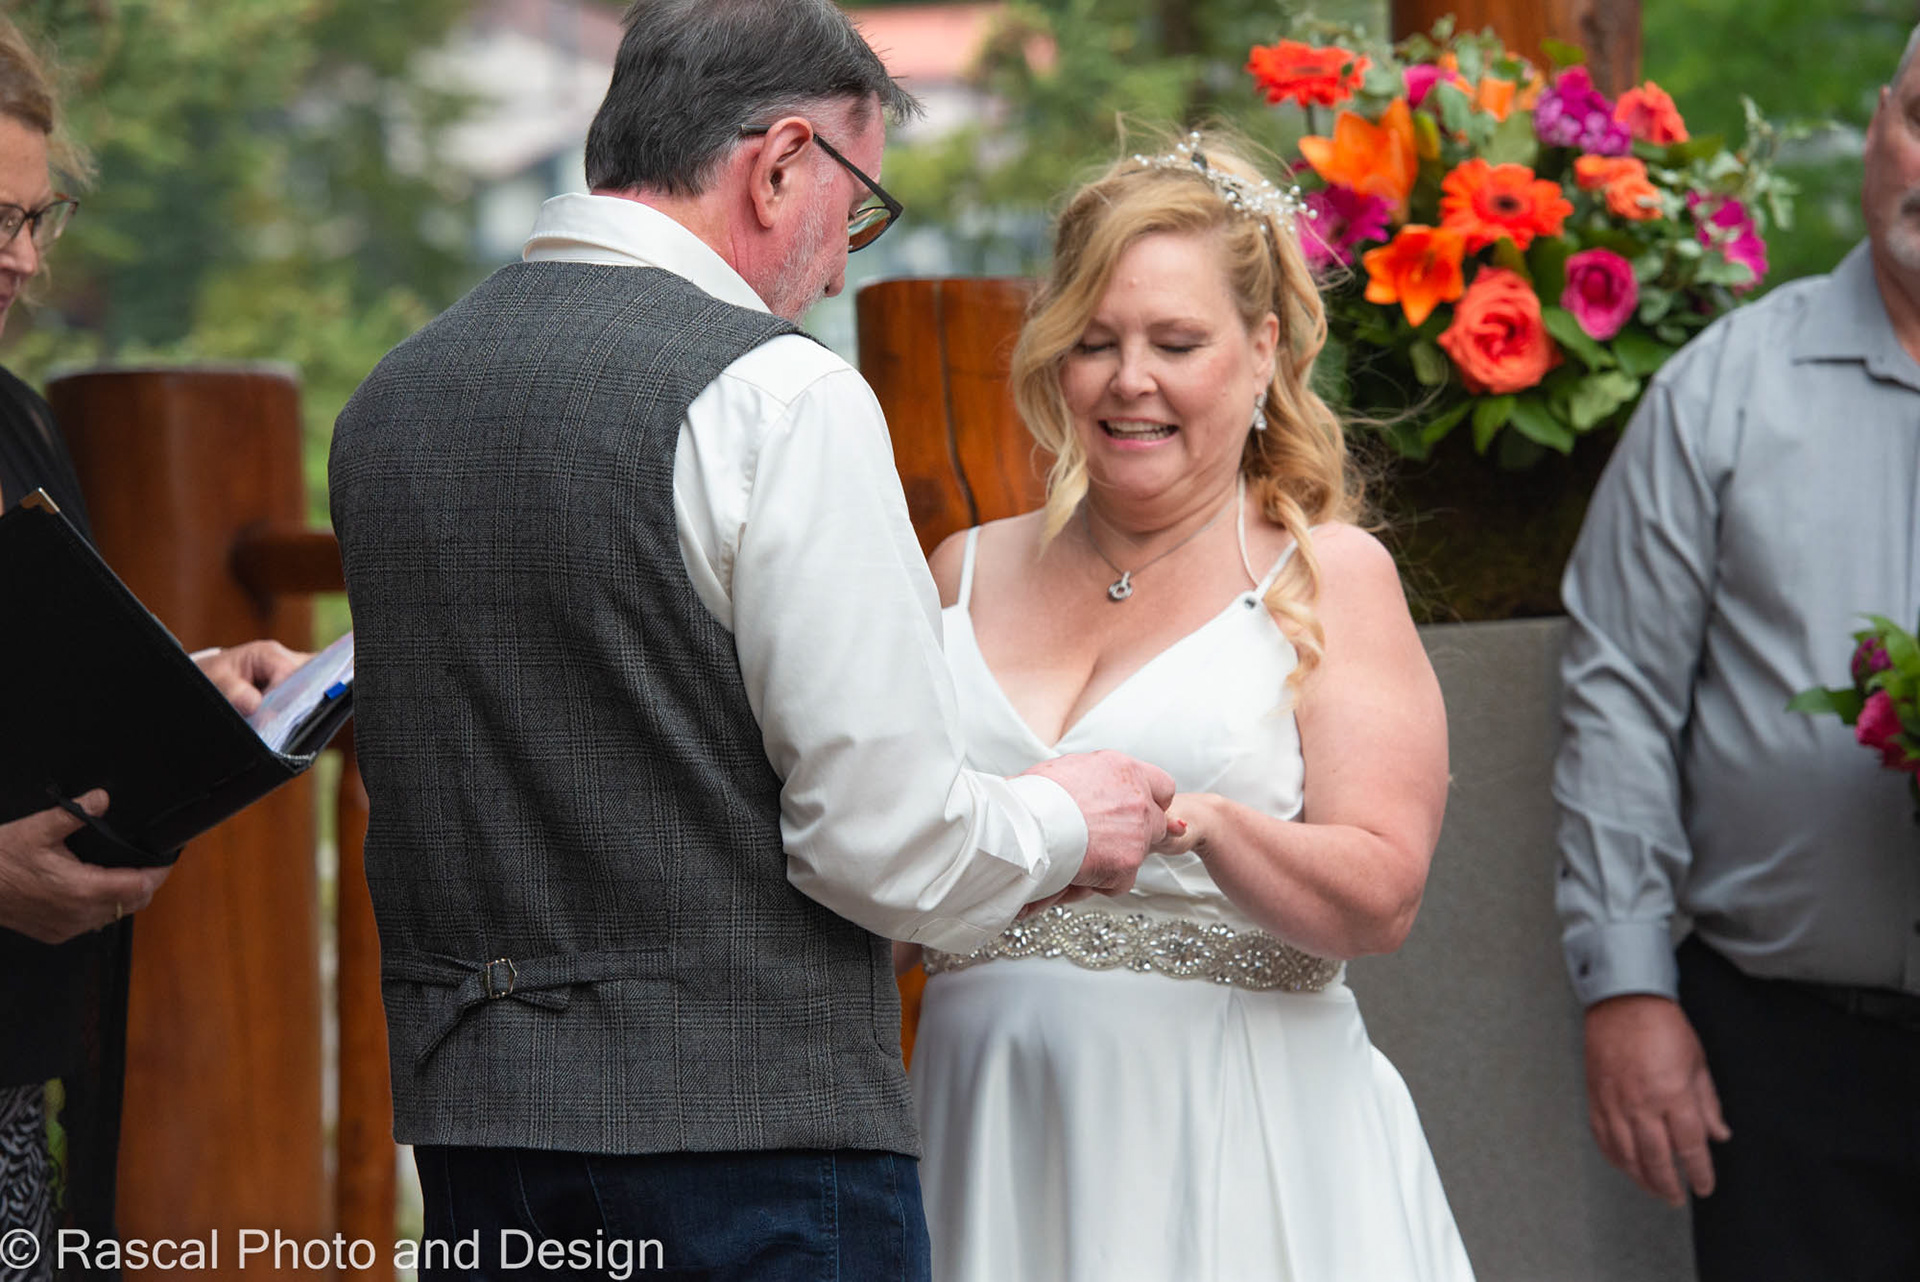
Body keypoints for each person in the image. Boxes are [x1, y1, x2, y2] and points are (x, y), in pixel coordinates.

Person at [327, 2, 1173, 1278]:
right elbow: (881, 842)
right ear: (780, 164)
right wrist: (1065, 818)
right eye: (857, 209)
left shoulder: (389, 402)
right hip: (753, 1154)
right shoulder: (781, 394)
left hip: (479, 1143)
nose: (837, 272)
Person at [898, 131, 1474, 1282]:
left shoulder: (1326, 576)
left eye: (1175, 342)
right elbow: (888, 853)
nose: (1130, 379)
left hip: (1236, 1127)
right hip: (990, 1121)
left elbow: (1383, 894)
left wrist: (1200, 824)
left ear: (1262, 351)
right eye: (1095, 341)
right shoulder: (960, 569)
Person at [1554, 27, 1920, 1282]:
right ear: (1878, 127)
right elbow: (1618, 697)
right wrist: (1626, 987)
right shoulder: (1725, 387)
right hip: (1784, 1053)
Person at [0, 16, 305, 1280]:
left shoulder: (15, 423)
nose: (21, 259)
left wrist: (188, 692)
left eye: (36, 220)